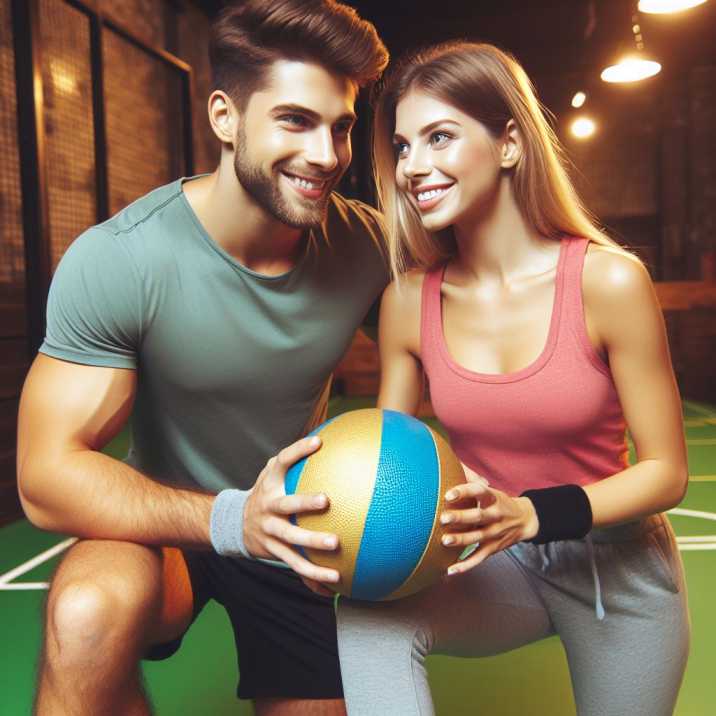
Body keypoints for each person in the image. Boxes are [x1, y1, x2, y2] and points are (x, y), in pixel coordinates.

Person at [16, 2, 388, 714]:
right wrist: (227, 519)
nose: (326, 153)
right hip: (165, 530)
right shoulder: (123, 259)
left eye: (340, 126)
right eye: (295, 120)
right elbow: (44, 475)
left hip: (294, 534)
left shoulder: (368, 248)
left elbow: (464, 342)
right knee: (86, 611)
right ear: (225, 117)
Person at [333, 42, 690, 715]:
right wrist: (333, 509)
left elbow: (667, 473)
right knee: (368, 613)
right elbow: (387, 458)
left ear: (508, 144)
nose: (416, 166)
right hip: (503, 568)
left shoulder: (607, 281)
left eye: (440, 137)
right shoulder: (409, 301)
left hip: (617, 570)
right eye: (405, 146)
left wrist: (530, 513)